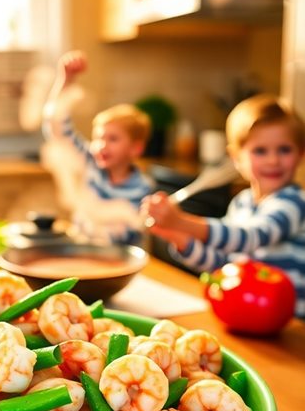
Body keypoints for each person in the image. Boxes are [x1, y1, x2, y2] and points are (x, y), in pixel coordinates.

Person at [141, 93, 305, 319]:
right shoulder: (242, 202)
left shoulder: (294, 201)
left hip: (291, 326)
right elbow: (224, 266)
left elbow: (252, 237)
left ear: (301, 154)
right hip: (249, 315)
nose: (273, 160)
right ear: (236, 157)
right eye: (260, 151)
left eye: (284, 150)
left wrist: (182, 222)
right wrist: (176, 237)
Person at [42, 50, 153, 244]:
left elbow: (129, 232)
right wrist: (65, 81)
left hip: (119, 266)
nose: (101, 146)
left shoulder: (142, 188)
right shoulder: (89, 161)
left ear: (135, 149)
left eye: (113, 139)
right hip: (83, 255)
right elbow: (56, 126)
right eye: (98, 138)